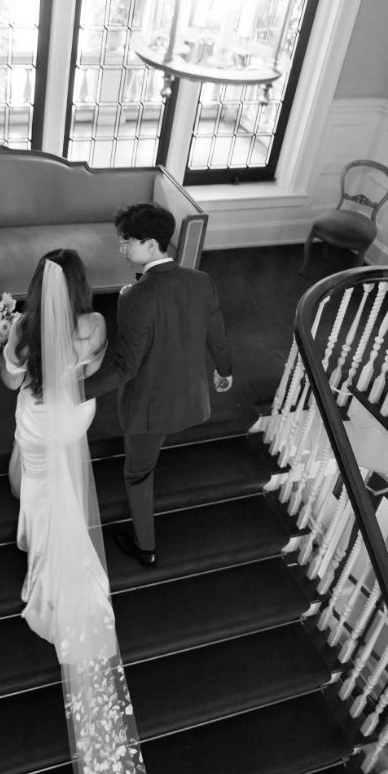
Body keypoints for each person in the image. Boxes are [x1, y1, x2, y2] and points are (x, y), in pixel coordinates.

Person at [0, 248, 155, 774]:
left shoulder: (24, 327)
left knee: (35, 480)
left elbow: (14, 380)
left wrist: (8, 345)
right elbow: (88, 366)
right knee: (57, 478)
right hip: (75, 417)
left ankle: (39, 548)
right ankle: (51, 537)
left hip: (39, 419)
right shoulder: (94, 323)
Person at [84, 203, 233, 568]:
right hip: (191, 400)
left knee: (137, 473)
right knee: (149, 457)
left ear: (151, 244)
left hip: (151, 410)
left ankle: (145, 547)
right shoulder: (201, 280)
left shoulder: (134, 296)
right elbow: (217, 333)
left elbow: (125, 368)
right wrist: (225, 370)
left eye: (127, 242)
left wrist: (74, 392)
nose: (121, 249)